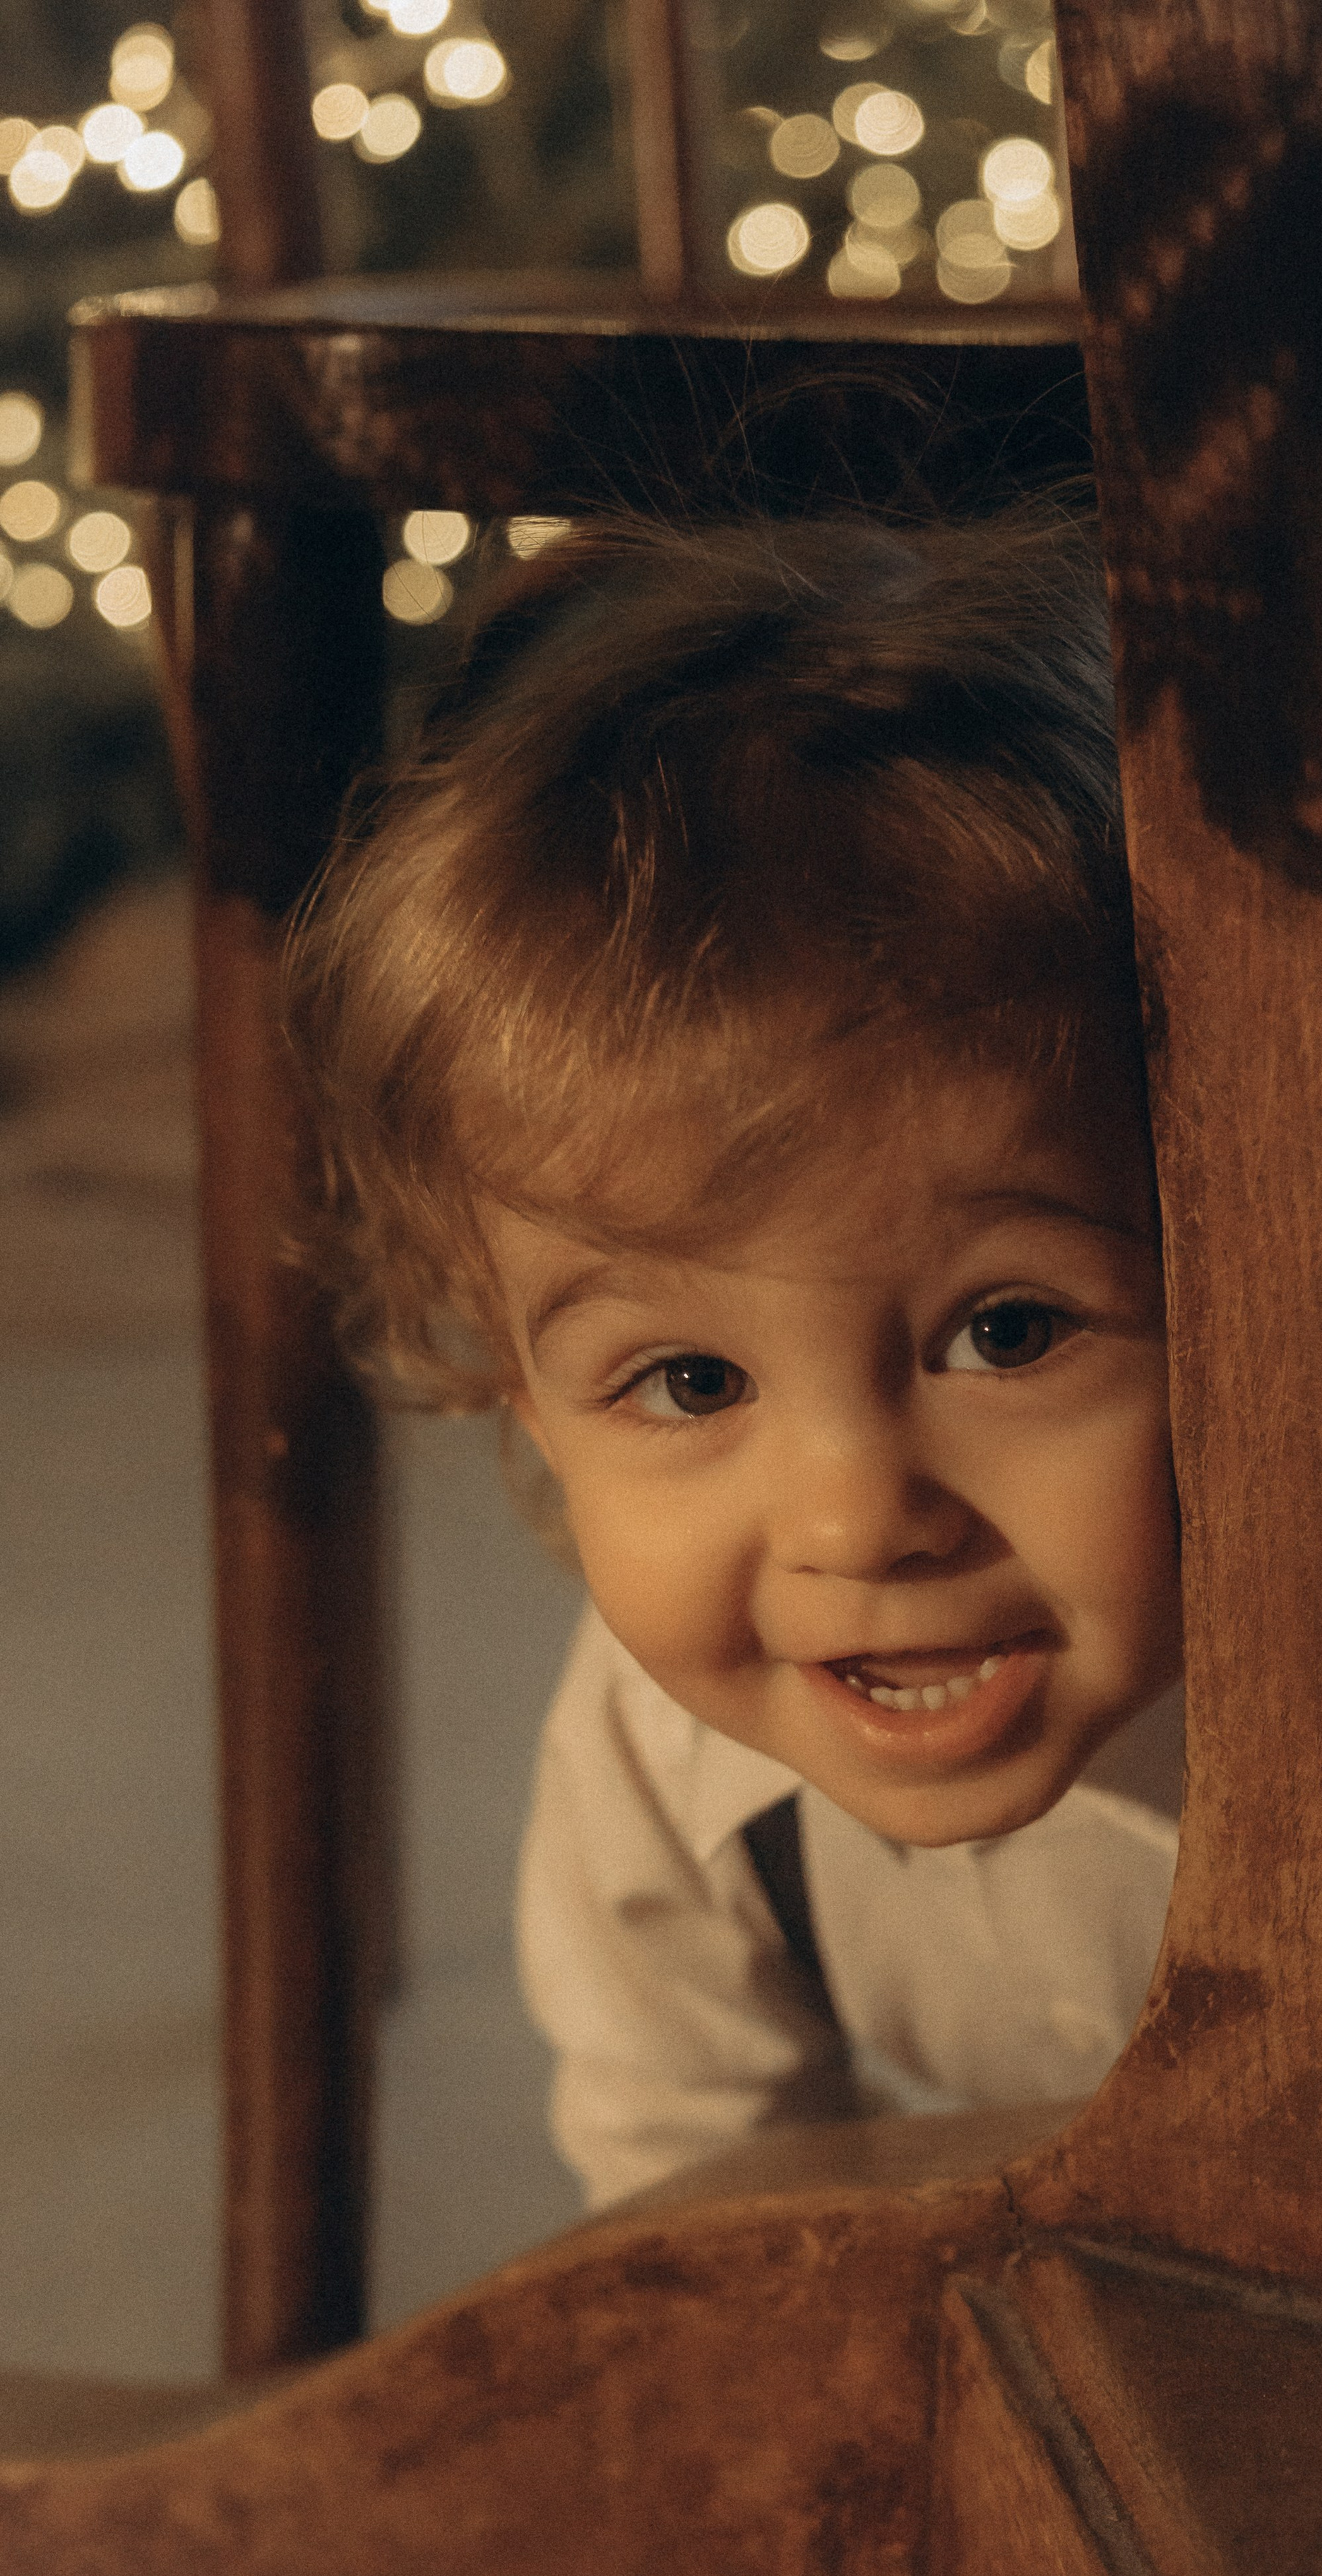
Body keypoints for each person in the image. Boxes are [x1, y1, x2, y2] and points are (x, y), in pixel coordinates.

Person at [285, 505, 1186, 2211]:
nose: (858, 1521)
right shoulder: (657, 1761)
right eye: (690, 1381)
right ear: (518, 1393)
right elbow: (697, 2219)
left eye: (1004, 1333)